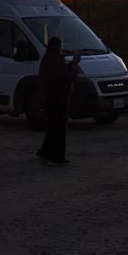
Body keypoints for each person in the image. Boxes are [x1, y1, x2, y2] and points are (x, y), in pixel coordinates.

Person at [36, 36, 81, 164]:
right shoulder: (55, 60)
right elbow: (65, 78)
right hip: (58, 97)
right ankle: (57, 156)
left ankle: (45, 152)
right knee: (59, 128)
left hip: (51, 97)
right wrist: (74, 67)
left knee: (52, 127)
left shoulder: (49, 59)